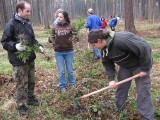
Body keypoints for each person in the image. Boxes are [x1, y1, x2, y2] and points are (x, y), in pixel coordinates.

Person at [87, 30, 154, 120]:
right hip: (125, 66)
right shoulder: (104, 49)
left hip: (139, 65)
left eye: (94, 45)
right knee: (121, 88)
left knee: (143, 91)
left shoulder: (121, 40)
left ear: (99, 40)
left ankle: (147, 117)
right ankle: (120, 110)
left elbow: (144, 48)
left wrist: (145, 68)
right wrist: (111, 79)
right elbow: (107, 63)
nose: (94, 48)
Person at [1, 1, 45, 115]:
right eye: (27, 11)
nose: (29, 13)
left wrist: (39, 46)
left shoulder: (28, 23)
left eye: (29, 11)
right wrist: (15, 46)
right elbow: (4, 42)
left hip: (30, 58)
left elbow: (33, 39)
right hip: (18, 61)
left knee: (31, 81)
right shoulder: (11, 24)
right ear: (19, 11)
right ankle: (21, 105)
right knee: (21, 83)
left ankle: (30, 98)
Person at [51, 11, 76, 92]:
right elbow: (51, 37)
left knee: (70, 70)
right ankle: (62, 86)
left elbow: (76, 35)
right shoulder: (54, 26)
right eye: (58, 16)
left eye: (61, 17)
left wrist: (73, 38)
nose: (59, 18)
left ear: (65, 18)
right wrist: (53, 42)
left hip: (69, 51)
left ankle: (72, 84)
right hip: (59, 52)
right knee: (61, 71)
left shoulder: (70, 26)